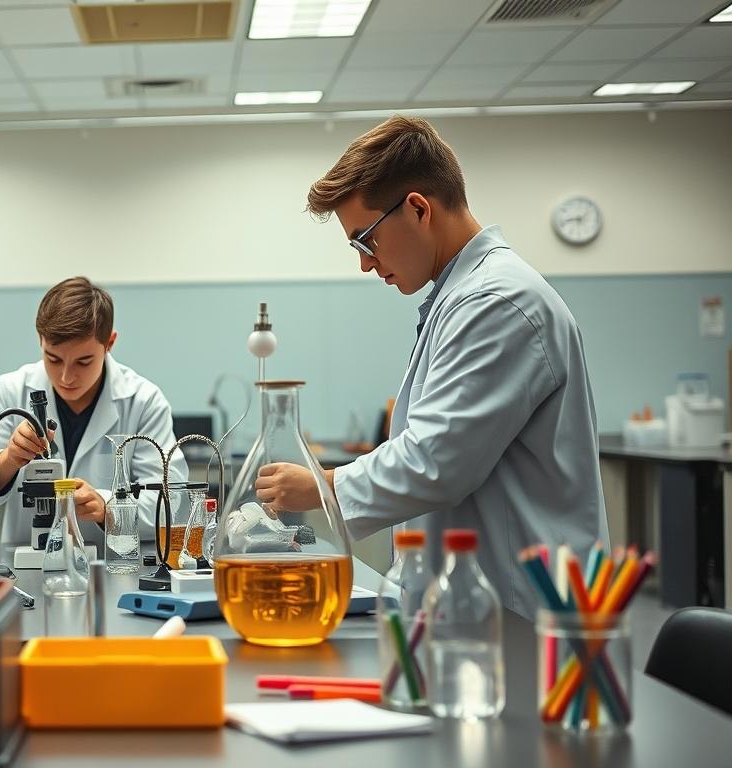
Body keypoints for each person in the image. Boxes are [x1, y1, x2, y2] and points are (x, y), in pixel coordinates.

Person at [253, 116, 607, 615]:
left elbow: (437, 462)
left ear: (417, 208)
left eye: (365, 240)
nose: (365, 263)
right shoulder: (464, 297)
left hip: (518, 608)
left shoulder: (498, 301)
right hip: (483, 601)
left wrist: (324, 487)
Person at [0, 276, 187, 550]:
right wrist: (8, 460)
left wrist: (108, 507)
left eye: (83, 361)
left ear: (109, 343)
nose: (66, 377)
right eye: (53, 359)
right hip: (27, 569)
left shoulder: (142, 401)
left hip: (111, 567)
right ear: (40, 341)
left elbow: (171, 505)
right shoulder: (11, 390)